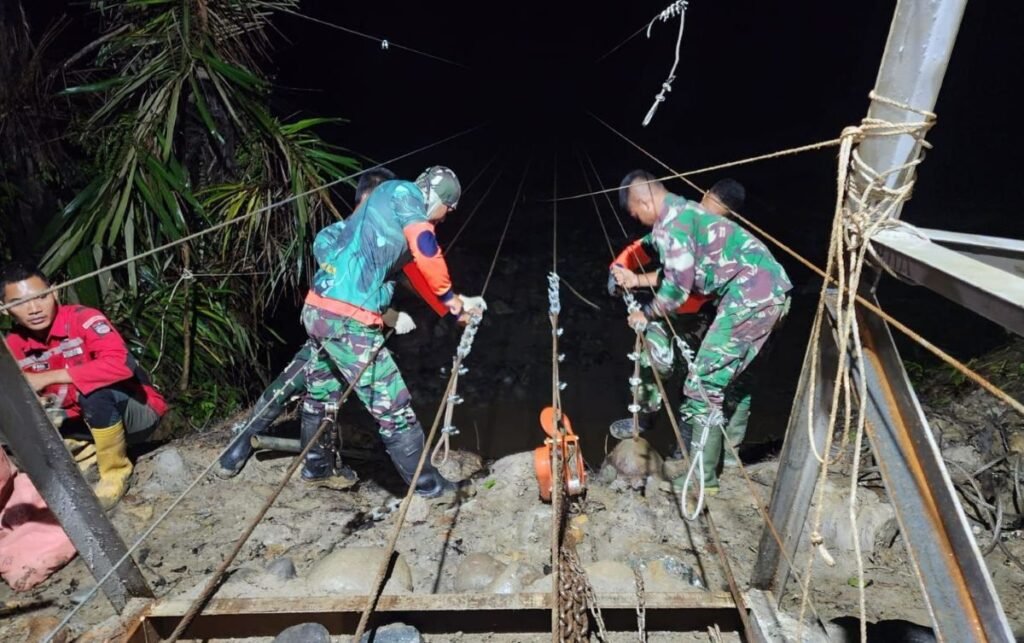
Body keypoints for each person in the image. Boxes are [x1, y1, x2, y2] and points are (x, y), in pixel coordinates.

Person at [216, 167, 447, 478]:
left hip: (344, 327)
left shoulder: (385, 237)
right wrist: (390, 314)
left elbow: (401, 273)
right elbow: (349, 285)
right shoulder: (338, 236)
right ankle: (242, 445)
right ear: (366, 200)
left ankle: (317, 466)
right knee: (294, 382)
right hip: (340, 325)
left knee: (319, 393)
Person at [300, 166, 485, 497]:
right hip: (349, 320)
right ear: (437, 198)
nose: (445, 218)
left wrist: (452, 306)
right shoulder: (405, 194)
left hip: (319, 310)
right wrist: (449, 298)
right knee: (394, 408)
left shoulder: (388, 209)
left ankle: (317, 468)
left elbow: (414, 271)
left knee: (322, 395)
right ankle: (431, 489)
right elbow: (425, 247)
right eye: (448, 210)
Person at [610, 173, 791, 493]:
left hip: (752, 297)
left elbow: (676, 291)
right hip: (764, 292)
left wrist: (645, 313)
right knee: (724, 380)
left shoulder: (676, 225)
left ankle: (703, 479)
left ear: (644, 202)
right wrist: (626, 270)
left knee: (702, 385)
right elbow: (653, 249)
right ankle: (724, 464)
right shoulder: (683, 213)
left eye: (636, 214)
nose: (637, 220)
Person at [2, 262, 167, 509]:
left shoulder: (83, 318)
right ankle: (84, 453)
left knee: (94, 391)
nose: (34, 309)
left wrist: (49, 377)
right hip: (78, 422)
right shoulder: (14, 343)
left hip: (135, 414)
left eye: (41, 297)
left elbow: (120, 365)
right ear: (5, 309)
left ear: (55, 292)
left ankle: (115, 473)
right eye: (20, 303)